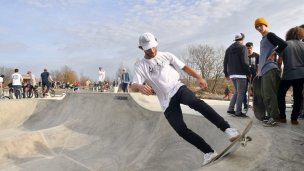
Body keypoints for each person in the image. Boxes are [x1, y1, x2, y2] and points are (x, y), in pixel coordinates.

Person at [131, 32, 241, 165]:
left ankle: (228, 129)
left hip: (178, 88)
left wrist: (199, 77)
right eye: (148, 49)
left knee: (195, 102)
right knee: (180, 129)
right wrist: (140, 87)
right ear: (141, 48)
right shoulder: (140, 66)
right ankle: (208, 152)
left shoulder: (166, 55)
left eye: (154, 46)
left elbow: (185, 68)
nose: (152, 50)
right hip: (166, 101)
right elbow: (133, 85)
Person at [254, 17, 287, 126]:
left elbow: (283, 44)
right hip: (264, 70)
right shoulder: (263, 39)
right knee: (264, 94)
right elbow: (263, 56)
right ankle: (270, 115)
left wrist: (274, 54)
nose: (259, 28)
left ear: (266, 25)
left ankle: (274, 117)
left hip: (270, 68)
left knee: (269, 94)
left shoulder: (270, 35)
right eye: (257, 27)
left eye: (260, 25)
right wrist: (259, 71)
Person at [277, 26, 304, 125]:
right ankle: (294, 119)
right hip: (301, 75)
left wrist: (279, 73)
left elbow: (279, 62)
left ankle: (282, 117)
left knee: (280, 95)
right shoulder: (303, 45)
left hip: (288, 75)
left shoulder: (285, 44)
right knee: (298, 97)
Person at [224, 33, 250, 117]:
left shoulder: (228, 49)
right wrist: (248, 73)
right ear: (242, 39)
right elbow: (245, 62)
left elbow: (225, 62)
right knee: (241, 93)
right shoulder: (243, 47)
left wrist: (226, 73)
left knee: (237, 92)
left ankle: (230, 109)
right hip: (241, 74)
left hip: (232, 74)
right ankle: (238, 112)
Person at [243, 42, 260, 110]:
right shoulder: (244, 56)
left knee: (255, 91)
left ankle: (255, 105)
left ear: (252, 47)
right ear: (246, 48)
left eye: (250, 48)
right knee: (244, 91)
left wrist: (258, 73)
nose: (249, 49)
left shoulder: (256, 55)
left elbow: (258, 65)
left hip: (254, 76)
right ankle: (245, 105)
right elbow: (243, 66)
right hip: (245, 76)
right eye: (247, 48)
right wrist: (246, 74)